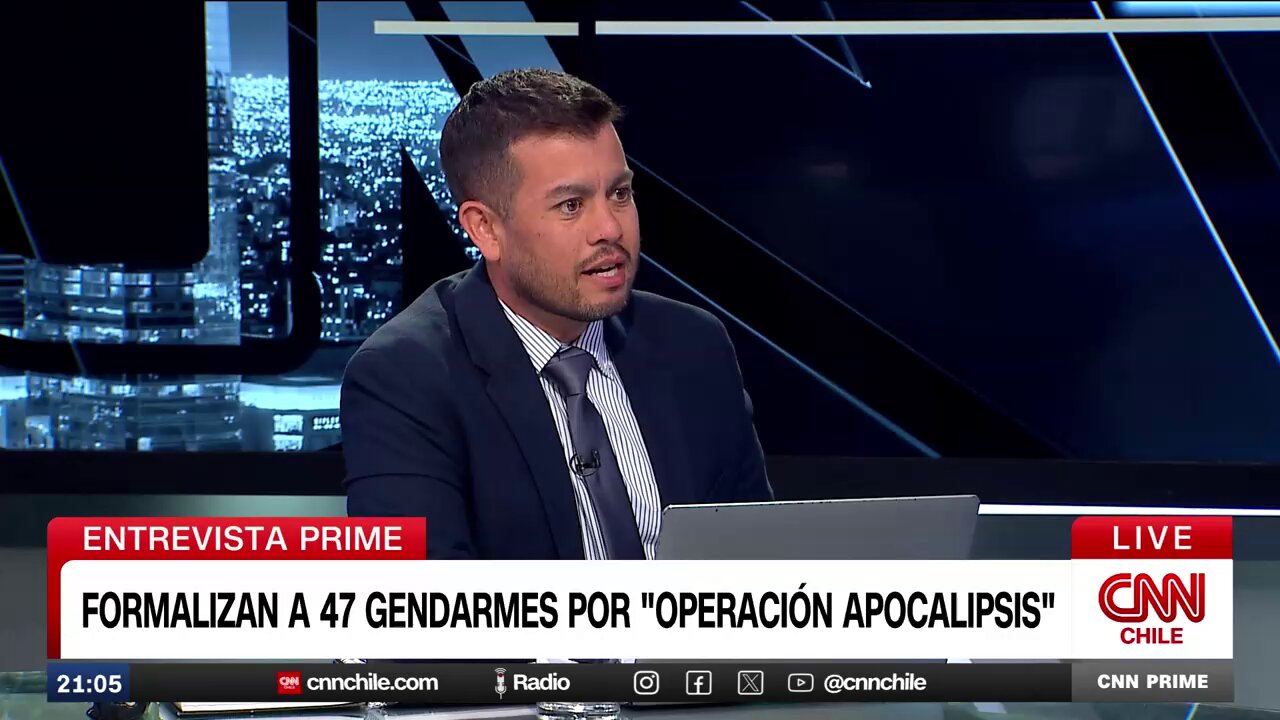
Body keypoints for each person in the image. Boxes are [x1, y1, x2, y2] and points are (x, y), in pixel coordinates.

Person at [341, 68, 772, 560]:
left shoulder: (693, 345)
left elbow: (755, 556)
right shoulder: (405, 379)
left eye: (620, 193)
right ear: (485, 229)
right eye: (571, 205)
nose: (609, 228)